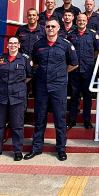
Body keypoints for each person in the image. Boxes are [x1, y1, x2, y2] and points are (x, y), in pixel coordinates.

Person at [25, 18, 78, 161]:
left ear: (58, 28)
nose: (50, 28)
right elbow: (35, 63)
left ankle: (61, 149)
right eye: (48, 26)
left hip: (59, 86)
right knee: (39, 117)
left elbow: (74, 63)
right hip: (41, 86)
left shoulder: (66, 45)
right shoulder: (38, 45)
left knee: (59, 118)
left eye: (53, 26)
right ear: (45, 28)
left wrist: (60, 73)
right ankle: (36, 148)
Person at [0, 36, 32, 161]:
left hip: (17, 95)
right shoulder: (1, 59)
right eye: (10, 43)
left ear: (19, 45)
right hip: (1, 94)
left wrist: (18, 85)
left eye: (15, 43)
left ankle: (17, 151)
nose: (13, 45)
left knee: (17, 125)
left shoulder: (25, 59)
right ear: (7, 45)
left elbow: (29, 75)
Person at [67, 13, 99, 130]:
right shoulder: (70, 35)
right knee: (74, 95)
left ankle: (87, 120)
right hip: (74, 70)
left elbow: (97, 51)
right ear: (76, 21)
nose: (81, 22)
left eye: (83, 20)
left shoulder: (92, 34)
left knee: (87, 95)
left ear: (86, 22)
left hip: (87, 69)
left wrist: (88, 60)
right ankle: (72, 119)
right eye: (79, 20)